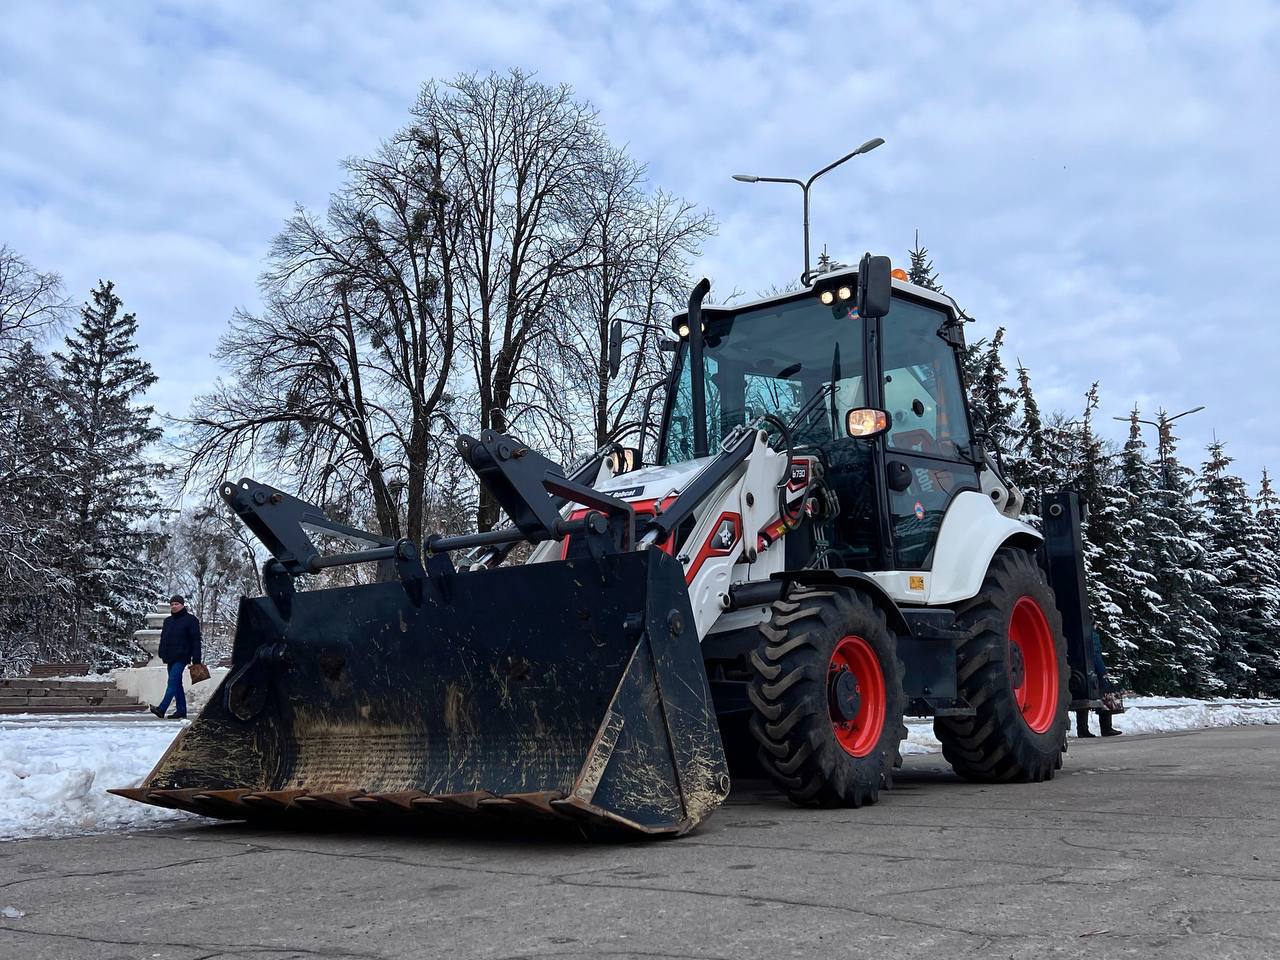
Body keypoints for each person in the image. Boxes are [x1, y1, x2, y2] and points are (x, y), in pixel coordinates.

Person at [150, 595, 202, 720]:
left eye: (176, 604)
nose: (174, 606)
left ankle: (162, 708)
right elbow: (164, 639)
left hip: (182, 656)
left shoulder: (191, 620)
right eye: (172, 604)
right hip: (170, 657)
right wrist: (162, 653)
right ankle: (181, 711)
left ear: (183, 605)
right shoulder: (168, 621)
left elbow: (195, 640)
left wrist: (196, 659)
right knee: (177, 684)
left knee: (172, 681)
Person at [1076, 630, 1123, 738]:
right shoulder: (1092, 635)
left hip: (1079, 669)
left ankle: (1082, 729)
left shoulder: (1075, 633)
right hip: (1094, 671)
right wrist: (1102, 671)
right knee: (1106, 695)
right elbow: (1095, 655)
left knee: (1082, 697)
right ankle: (1106, 728)